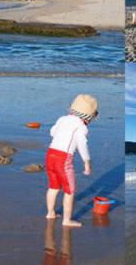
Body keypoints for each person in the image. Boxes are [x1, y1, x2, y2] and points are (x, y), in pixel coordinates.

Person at [45, 94, 98, 227]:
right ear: (86, 117)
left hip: (50, 156)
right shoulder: (81, 127)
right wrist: (87, 164)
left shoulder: (62, 119)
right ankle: (67, 220)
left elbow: (52, 132)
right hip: (63, 160)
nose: (89, 122)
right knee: (70, 190)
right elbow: (82, 147)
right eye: (90, 119)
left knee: (53, 187)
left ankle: (50, 213)